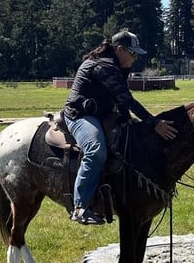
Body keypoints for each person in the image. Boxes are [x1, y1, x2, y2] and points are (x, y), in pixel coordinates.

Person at [62, 30, 177, 225]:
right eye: (133, 54)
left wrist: (131, 121)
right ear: (120, 49)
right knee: (96, 150)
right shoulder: (102, 67)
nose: (135, 59)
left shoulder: (117, 66)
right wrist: (153, 123)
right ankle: (80, 207)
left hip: (103, 115)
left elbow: (121, 103)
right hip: (80, 116)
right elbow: (126, 99)